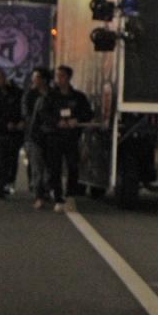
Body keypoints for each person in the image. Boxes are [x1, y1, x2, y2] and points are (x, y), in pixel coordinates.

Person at [46, 65, 93, 212]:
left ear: (68, 78)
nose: (59, 79)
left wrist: (76, 120)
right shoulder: (50, 96)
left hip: (72, 138)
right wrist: (56, 121)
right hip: (54, 137)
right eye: (57, 76)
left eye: (62, 76)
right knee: (55, 168)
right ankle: (58, 197)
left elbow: (88, 114)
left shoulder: (78, 97)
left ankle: (71, 195)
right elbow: (44, 114)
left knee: (73, 166)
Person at [0, 69, 24, 199]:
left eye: (0, 78)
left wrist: (19, 123)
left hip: (14, 134)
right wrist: (5, 124)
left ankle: (9, 182)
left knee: (12, 161)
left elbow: (21, 108)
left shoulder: (15, 92)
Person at [22, 67, 54, 209]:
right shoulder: (30, 95)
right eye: (34, 77)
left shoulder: (54, 95)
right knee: (36, 167)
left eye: (36, 77)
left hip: (51, 136)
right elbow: (26, 114)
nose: (33, 80)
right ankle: (38, 195)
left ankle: (46, 190)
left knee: (50, 167)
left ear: (44, 80)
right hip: (34, 136)